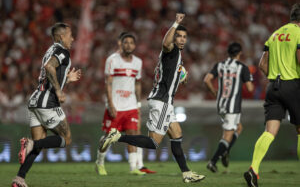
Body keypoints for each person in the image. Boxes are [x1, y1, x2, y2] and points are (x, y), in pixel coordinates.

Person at [99, 13, 205, 183]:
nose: (182, 40)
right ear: (174, 38)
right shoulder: (171, 50)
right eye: (179, 36)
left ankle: (186, 174)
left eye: (185, 37)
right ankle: (117, 136)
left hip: (165, 102)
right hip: (162, 102)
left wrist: (181, 76)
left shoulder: (176, 56)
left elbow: (171, 74)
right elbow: (165, 43)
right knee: (153, 143)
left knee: (177, 134)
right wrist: (175, 24)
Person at [11, 23, 81, 187]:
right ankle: (30, 144)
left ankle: (19, 179)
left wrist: (66, 80)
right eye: (70, 35)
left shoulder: (50, 50)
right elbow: (49, 67)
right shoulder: (62, 51)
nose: (73, 38)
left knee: (39, 143)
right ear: (61, 37)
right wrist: (58, 91)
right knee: (66, 139)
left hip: (35, 101)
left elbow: (48, 73)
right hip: (47, 102)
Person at [244, 3, 300, 187]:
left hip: (273, 87)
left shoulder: (275, 34)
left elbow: (262, 64)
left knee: (269, 132)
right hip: (293, 85)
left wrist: (275, 77)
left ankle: (254, 168)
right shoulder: (298, 33)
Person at [95, 32, 155, 175]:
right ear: (121, 44)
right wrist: (110, 104)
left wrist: (138, 104)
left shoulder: (138, 62)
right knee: (108, 138)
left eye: (131, 43)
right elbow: (108, 84)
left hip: (131, 106)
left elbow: (138, 84)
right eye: (125, 42)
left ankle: (133, 168)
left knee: (133, 135)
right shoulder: (112, 60)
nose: (128, 45)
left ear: (134, 46)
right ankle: (100, 162)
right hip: (115, 105)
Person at [204, 42, 254, 172]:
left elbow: (207, 79)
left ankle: (225, 151)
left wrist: (213, 91)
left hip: (221, 104)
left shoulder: (219, 65)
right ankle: (213, 161)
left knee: (238, 128)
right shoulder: (242, 67)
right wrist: (249, 80)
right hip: (233, 106)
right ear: (239, 53)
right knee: (227, 135)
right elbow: (250, 88)